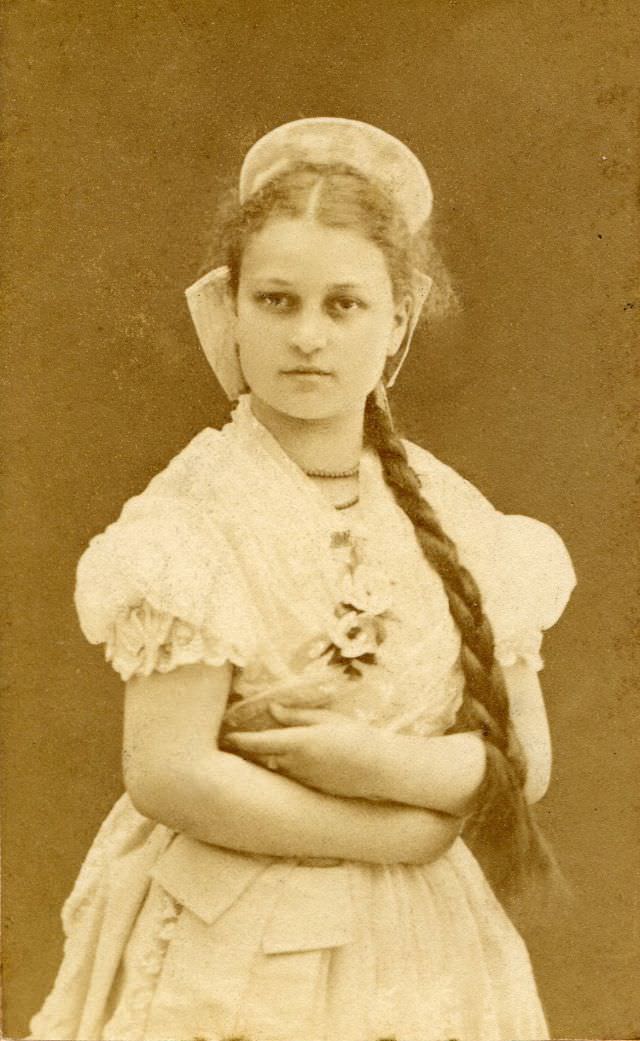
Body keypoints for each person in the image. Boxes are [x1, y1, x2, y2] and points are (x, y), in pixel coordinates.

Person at [29, 117, 576, 1041]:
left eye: (344, 305)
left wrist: (378, 766)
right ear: (229, 310)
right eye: (277, 302)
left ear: (398, 317)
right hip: (234, 935)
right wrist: (389, 830)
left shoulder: (456, 515)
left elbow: (524, 763)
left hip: (423, 950)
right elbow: (166, 771)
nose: (308, 337)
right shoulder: (192, 514)